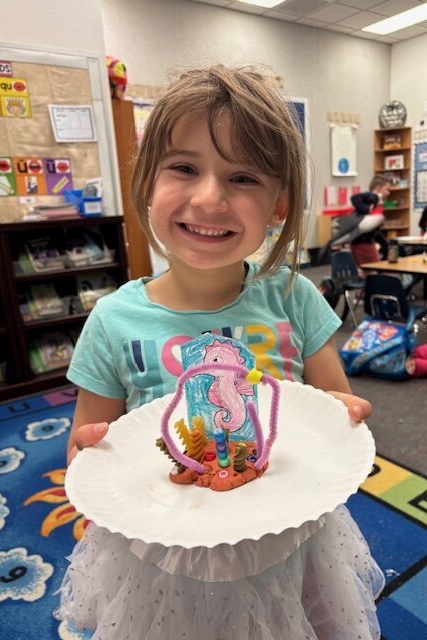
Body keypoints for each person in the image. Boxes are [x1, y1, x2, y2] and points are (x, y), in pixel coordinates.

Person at [55, 65, 384, 640]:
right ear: (146, 183)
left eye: (243, 177)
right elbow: (87, 450)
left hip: (286, 542)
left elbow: (337, 407)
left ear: (279, 205)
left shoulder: (293, 296)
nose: (209, 198)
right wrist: (86, 452)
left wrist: (343, 414)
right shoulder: (112, 321)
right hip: (165, 556)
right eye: (183, 167)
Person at [350, 174, 392, 266]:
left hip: (367, 241)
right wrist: (366, 209)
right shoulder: (370, 198)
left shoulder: (377, 202)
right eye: (387, 189)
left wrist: (385, 244)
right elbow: (354, 198)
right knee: (372, 273)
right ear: (379, 188)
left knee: (373, 271)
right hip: (363, 243)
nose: (389, 193)